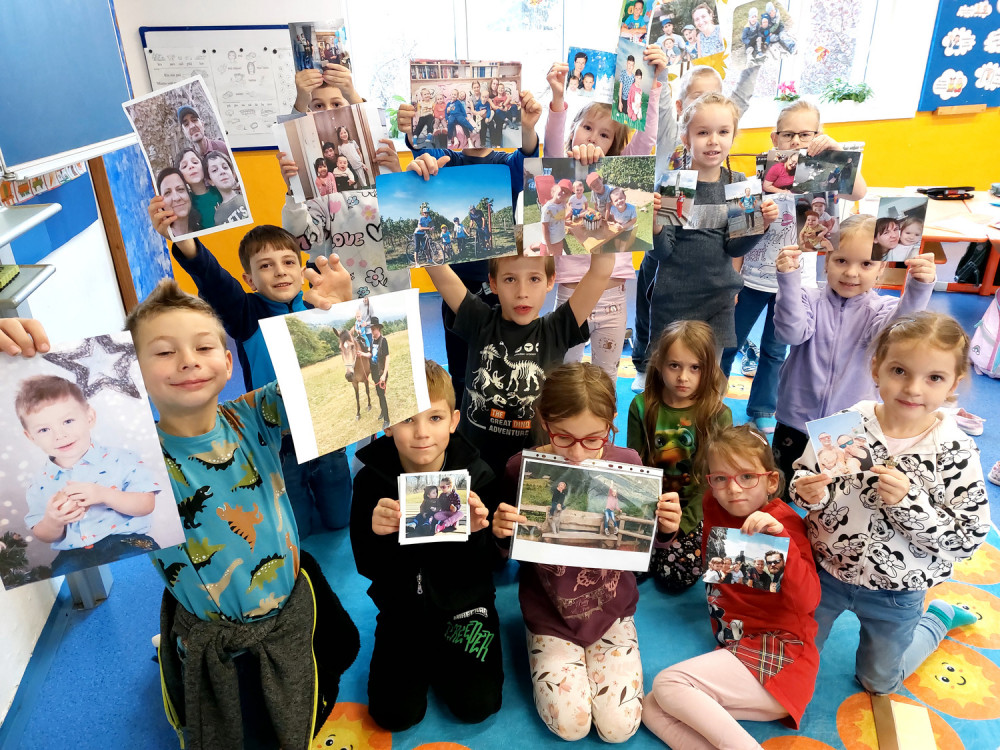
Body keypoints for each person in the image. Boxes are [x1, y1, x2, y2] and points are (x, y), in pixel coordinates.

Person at [0, 269, 358, 747]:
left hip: (291, 605)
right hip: (215, 631)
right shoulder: (131, 459)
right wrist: (12, 367)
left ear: (227, 363)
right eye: (165, 352)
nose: (188, 360)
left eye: (204, 347)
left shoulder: (255, 414)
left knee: (317, 687)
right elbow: (32, 530)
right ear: (134, 372)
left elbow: (335, 386)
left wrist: (339, 316)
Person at [790, 312, 989, 695]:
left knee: (879, 683)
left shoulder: (955, 451)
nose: (913, 388)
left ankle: (937, 619)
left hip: (897, 590)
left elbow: (967, 540)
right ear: (876, 368)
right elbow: (803, 479)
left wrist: (910, 503)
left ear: (953, 384)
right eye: (899, 370)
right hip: (826, 570)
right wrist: (808, 492)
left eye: (934, 378)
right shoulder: (847, 423)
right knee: (795, 658)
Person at [492, 362, 682, 742]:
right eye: (563, 437)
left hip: (612, 612)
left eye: (593, 439)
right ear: (544, 421)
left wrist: (665, 528)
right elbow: (510, 548)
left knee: (619, 727)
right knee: (571, 725)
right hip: (550, 615)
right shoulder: (521, 468)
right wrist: (500, 535)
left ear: (611, 424)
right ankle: (541, 646)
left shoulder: (628, 464)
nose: (578, 454)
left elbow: (646, 545)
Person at [147, 212, 354, 538]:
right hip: (279, 439)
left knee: (341, 518)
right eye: (266, 265)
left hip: (326, 431)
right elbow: (215, 281)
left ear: (302, 272)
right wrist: (185, 241)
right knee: (299, 529)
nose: (280, 271)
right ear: (250, 280)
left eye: (288, 262)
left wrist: (344, 304)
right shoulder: (245, 313)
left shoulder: (318, 305)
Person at [643, 424, 820, 748]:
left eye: (747, 476)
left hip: (781, 658)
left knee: (668, 684)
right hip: (739, 649)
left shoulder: (782, 524)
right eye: (721, 478)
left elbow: (809, 602)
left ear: (771, 482)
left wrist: (781, 541)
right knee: (651, 707)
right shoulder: (713, 504)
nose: (733, 489)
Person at [351, 359, 503, 730]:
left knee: (478, 706)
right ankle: (422, 655)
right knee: (393, 715)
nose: (421, 433)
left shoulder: (478, 476)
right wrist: (377, 533)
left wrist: (479, 532)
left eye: (434, 418)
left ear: (453, 421)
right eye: (407, 419)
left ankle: (447, 655)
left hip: (466, 606)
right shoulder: (370, 483)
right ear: (387, 423)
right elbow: (367, 565)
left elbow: (489, 567)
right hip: (402, 610)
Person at [723, 100, 869, 434]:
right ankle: (712, 398)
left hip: (795, 284)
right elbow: (739, 231)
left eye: (806, 134)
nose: (797, 141)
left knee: (776, 350)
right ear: (775, 138)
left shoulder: (825, 174)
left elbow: (860, 191)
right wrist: (732, 279)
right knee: (729, 342)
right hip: (751, 280)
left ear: (818, 135)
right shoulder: (758, 177)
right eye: (789, 134)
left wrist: (835, 151)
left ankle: (763, 406)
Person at [422, 236, 613, 476]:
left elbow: (600, 271)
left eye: (534, 279)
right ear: (493, 283)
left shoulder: (557, 328)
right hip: (475, 464)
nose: (522, 293)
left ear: (550, 281)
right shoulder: (479, 321)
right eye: (510, 279)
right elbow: (439, 272)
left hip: (533, 465)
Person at [771, 215, 937, 490]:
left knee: (835, 500)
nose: (851, 273)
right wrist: (788, 281)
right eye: (841, 261)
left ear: (881, 269)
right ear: (826, 262)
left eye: (866, 264)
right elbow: (790, 334)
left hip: (847, 428)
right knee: (784, 493)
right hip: (795, 419)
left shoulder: (881, 309)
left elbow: (897, 337)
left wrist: (918, 289)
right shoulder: (807, 298)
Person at [544, 48, 664, 385]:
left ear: (614, 144)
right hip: (570, 295)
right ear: (574, 130)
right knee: (563, 376)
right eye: (587, 127)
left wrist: (653, 87)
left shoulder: (621, 171)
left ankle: (605, 419)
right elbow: (551, 146)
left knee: (607, 377)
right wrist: (557, 99)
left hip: (613, 299)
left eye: (604, 134)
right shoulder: (560, 168)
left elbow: (646, 139)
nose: (593, 137)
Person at [644, 93, 778, 375]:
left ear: (733, 136)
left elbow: (735, 248)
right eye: (703, 132)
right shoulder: (674, 184)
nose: (713, 140)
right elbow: (662, 252)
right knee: (667, 376)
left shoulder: (740, 184)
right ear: (686, 138)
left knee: (706, 377)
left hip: (718, 302)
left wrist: (762, 225)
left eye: (723, 132)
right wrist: (654, 225)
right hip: (673, 301)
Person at [18, 375, 160, 576]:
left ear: (89, 417)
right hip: (73, 556)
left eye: (68, 421)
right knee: (64, 579)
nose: (60, 435)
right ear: (30, 437)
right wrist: (53, 520)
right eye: (44, 429)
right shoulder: (39, 483)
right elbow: (43, 534)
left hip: (127, 542)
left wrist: (104, 495)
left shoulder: (123, 459)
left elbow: (146, 504)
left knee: (146, 573)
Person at [629, 320, 733, 589]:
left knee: (677, 576)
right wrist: (647, 519)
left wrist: (681, 526)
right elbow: (634, 468)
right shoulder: (641, 406)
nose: (683, 377)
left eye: (695, 367)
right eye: (674, 365)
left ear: (709, 369)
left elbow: (713, 481)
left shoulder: (718, 415)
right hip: (649, 505)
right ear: (660, 363)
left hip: (692, 509)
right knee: (628, 568)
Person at [357, 316, 390, 429]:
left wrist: (384, 375)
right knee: (379, 393)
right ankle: (383, 411)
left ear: (378, 329)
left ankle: (387, 419)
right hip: (374, 372)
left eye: (373, 329)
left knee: (381, 395)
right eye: (371, 329)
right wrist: (362, 354)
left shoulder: (383, 341)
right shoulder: (373, 341)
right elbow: (371, 354)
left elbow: (387, 358)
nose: (372, 331)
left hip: (381, 372)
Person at [175, 148, 221, 230]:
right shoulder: (185, 206)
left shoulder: (220, 190)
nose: (191, 166)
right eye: (184, 166)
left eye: (195, 162)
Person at [204, 150, 248, 226]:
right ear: (210, 181)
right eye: (214, 170)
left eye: (225, 167)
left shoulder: (247, 196)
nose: (222, 171)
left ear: (233, 174)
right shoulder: (218, 216)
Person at [156, 168, 202, 237]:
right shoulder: (163, 238)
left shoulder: (201, 231)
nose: (176, 198)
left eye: (180, 189)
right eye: (167, 193)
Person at [541, 179, 572, 255]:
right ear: (555, 188)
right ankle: (528, 252)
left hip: (559, 239)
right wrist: (548, 246)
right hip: (549, 242)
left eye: (566, 193)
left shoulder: (563, 203)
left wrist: (565, 222)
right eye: (562, 189)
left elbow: (558, 217)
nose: (563, 193)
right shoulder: (547, 208)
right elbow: (545, 228)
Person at [607, 187, 638, 252]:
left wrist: (623, 226)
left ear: (625, 197)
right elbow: (612, 217)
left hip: (627, 229)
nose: (619, 201)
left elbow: (634, 220)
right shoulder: (612, 209)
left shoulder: (631, 208)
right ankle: (617, 251)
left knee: (623, 243)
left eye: (621, 198)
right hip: (618, 229)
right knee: (616, 241)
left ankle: (621, 253)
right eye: (616, 200)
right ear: (612, 203)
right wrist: (614, 223)